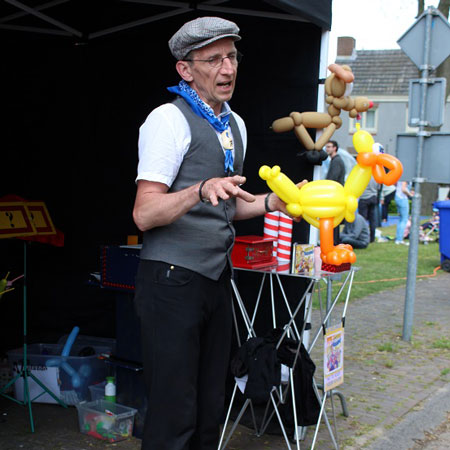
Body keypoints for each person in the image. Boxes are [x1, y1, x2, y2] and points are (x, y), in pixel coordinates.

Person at [132, 17, 305, 450]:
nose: (227, 69)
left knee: (212, 409)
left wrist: (272, 202)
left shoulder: (235, 125)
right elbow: (144, 214)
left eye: (232, 56)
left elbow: (229, 202)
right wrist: (198, 189)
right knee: (174, 415)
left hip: (214, 280)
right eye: (213, 60)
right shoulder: (167, 120)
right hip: (170, 280)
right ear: (185, 69)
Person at [358, 176, 379, 243]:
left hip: (364, 198)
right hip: (373, 197)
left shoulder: (363, 176)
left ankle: (362, 237)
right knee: (372, 219)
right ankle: (372, 238)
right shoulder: (376, 176)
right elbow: (378, 187)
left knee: (362, 219)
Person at [395, 180, 414, 245]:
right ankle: (399, 239)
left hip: (398, 197)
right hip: (402, 198)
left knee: (401, 219)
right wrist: (410, 194)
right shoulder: (405, 177)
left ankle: (398, 238)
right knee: (404, 219)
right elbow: (403, 189)